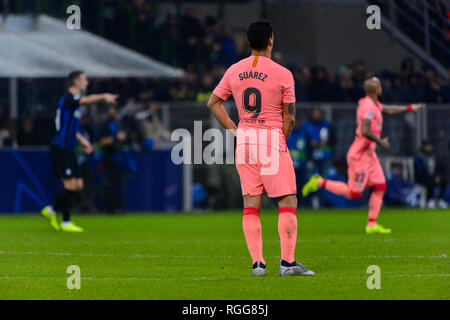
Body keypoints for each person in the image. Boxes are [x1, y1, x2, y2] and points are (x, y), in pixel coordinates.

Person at [207, 20, 314, 277]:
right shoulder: (283, 74)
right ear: (271, 41)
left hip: (244, 139)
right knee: (287, 200)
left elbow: (213, 103)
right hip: (271, 138)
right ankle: (287, 264)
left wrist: (235, 130)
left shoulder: (234, 70)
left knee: (250, 204)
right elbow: (289, 117)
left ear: (248, 42)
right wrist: (281, 141)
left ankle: (258, 264)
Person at [302, 77, 425, 234]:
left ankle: (372, 224)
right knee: (354, 194)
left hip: (369, 154)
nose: (381, 88)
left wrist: (408, 108)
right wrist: (381, 142)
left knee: (380, 186)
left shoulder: (374, 104)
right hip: (359, 155)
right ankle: (319, 182)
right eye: (379, 86)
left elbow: (387, 109)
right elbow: (365, 131)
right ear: (375, 90)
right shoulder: (367, 106)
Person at [41, 71, 118, 232]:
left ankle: (52, 210)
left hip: (68, 148)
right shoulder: (69, 98)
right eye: (85, 80)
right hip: (60, 148)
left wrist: (82, 140)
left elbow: (68, 126)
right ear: (76, 82)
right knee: (70, 184)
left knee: (78, 185)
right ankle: (65, 221)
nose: (87, 83)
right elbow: (86, 100)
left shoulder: (72, 104)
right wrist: (103, 96)